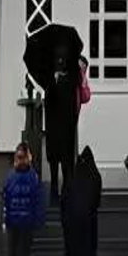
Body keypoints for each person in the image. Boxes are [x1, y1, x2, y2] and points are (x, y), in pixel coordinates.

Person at [1, 140, 46, 256]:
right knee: (23, 254)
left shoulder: (10, 176)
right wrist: (38, 220)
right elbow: (37, 200)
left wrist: (5, 219)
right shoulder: (33, 176)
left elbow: (5, 198)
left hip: (14, 221)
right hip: (26, 222)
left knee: (14, 252)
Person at [61, 145, 103, 256]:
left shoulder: (71, 178)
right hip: (88, 229)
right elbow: (96, 201)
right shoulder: (94, 176)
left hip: (72, 230)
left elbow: (64, 202)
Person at [42, 40, 80, 203]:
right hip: (60, 122)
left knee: (61, 158)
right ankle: (60, 190)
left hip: (61, 122)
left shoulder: (69, 75)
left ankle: (60, 190)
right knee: (61, 157)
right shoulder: (62, 75)